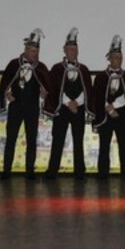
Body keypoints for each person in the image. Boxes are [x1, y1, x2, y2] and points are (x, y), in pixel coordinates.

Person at [0, 28, 50, 180]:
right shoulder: (14, 64)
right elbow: (5, 83)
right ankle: (6, 171)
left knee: (32, 140)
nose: (35, 54)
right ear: (26, 50)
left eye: (37, 51)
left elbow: (47, 88)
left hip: (32, 107)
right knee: (11, 139)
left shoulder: (40, 68)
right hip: (16, 107)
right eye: (33, 51)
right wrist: (7, 94)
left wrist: (44, 95)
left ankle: (30, 172)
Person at [44, 28, 93, 180]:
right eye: (71, 49)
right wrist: (67, 102)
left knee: (78, 141)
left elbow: (87, 90)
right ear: (64, 50)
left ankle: (80, 172)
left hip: (78, 109)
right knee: (58, 140)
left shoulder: (83, 69)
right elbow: (54, 88)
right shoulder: (56, 69)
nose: (73, 52)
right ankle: (52, 171)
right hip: (62, 109)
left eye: (75, 49)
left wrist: (76, 102)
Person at [90, 35, 125, 179]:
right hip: (105, 116)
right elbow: (96, 96)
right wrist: (109, 108)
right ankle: (102, 173)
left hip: (121, 115)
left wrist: (115, 106)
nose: (118, 60)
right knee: (104, 145)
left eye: (120, 57)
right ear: (109, 59)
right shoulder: (100, 77)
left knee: (123, 144)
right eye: (115, 57)